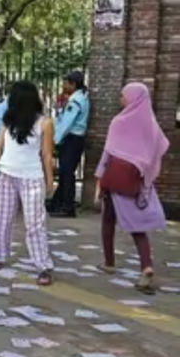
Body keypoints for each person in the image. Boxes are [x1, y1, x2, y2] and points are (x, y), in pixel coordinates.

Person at [95, 82, 169, 295]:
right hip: (135, 182)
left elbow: (107, 153)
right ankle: (146, 266)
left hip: (115, 179)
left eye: (123, 95)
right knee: (137, 228)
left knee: (108, 219)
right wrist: (143, 171)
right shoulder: (151, 125)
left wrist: (100, 179)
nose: (121, 99)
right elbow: (159, 149)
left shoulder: (119, 122)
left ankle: (109, 262)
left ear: (132, 98)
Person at [0, 81, 56, 286]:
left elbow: (47, 154)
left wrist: (49, 182)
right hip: (6, 174)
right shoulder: (9, 121)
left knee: (35, 223)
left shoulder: (44, 123)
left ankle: (43, 265)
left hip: (32, 178)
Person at [49, 71, 90, 218]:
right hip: (75, 139)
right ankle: (57, 202)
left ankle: (67, 207)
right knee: (66, 173)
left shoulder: (75, 101)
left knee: (67, 174)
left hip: (72, 139)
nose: (63, 85)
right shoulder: (80, 98)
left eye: (66, 82)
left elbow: (66, 124)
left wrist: (55, 140)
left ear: (73, 84)